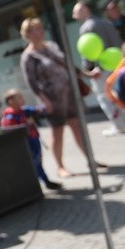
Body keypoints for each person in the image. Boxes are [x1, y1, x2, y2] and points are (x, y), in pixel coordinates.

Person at [19, 17, 103, 178]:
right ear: (28, 33)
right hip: (52, 99)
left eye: (41, 27)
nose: (42, 31)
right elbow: (32, 83)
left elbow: (68, 65)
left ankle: (90, 160)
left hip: (69, 93)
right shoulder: (28, 57)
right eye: (37, 29)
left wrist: (88, 75)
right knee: (57, 132)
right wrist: (44, 101)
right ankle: (60, 167)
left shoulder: (51, 46)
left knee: (77, 127)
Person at [72, 1, 125, 135]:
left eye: (76, 11)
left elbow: (88, 51)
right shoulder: (106, 23)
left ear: (85, 9)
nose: (74, 15)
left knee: (105, 97)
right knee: (117, 94)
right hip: (116, 64)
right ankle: (124, 121)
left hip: (100, 69)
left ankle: (118, 125)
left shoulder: (87, 27)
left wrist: (87, 70)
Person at [0, 88, 62, 190]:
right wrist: (26, 124)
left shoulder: (24, 110)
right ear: (11, 101)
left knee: (38, 161)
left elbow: (38, 109)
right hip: (24, 144)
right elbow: (12, 132)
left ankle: (43, 182)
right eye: (19, 98)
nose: (22, 99)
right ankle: (40, 183)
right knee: (33, 163)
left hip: (34, 140)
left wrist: (45, 107)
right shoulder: (9, 117)